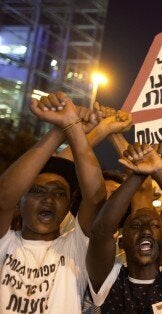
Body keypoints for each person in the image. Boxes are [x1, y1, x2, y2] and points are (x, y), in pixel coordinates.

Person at [0, 92, 106, 313]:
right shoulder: (4, 243)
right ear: (20, 201)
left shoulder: (77, 247)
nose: (48, 199)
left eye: (59, 194)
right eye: (37, 191)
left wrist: (72, 126)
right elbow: (3, 196)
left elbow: (95, 197)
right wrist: (61, 128)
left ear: (69, 206)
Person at [86, 143, 162, 313]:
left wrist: (160, 172)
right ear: (122, 242)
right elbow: (100, 233)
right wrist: (139, 174)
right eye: (136, 226)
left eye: (155, 225)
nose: (146, 231)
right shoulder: (108, 280)